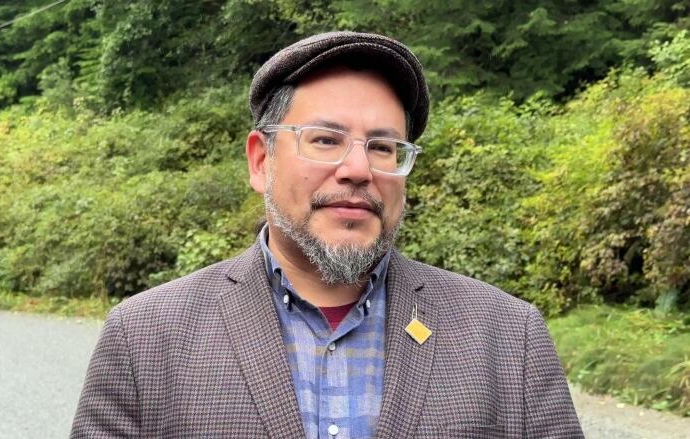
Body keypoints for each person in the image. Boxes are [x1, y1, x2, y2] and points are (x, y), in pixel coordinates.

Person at [71, 31, 583, 438]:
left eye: (384, 148)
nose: (359, 169)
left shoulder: (508, 337)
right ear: (260, 160)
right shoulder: (144, 338)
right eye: (325, 139)